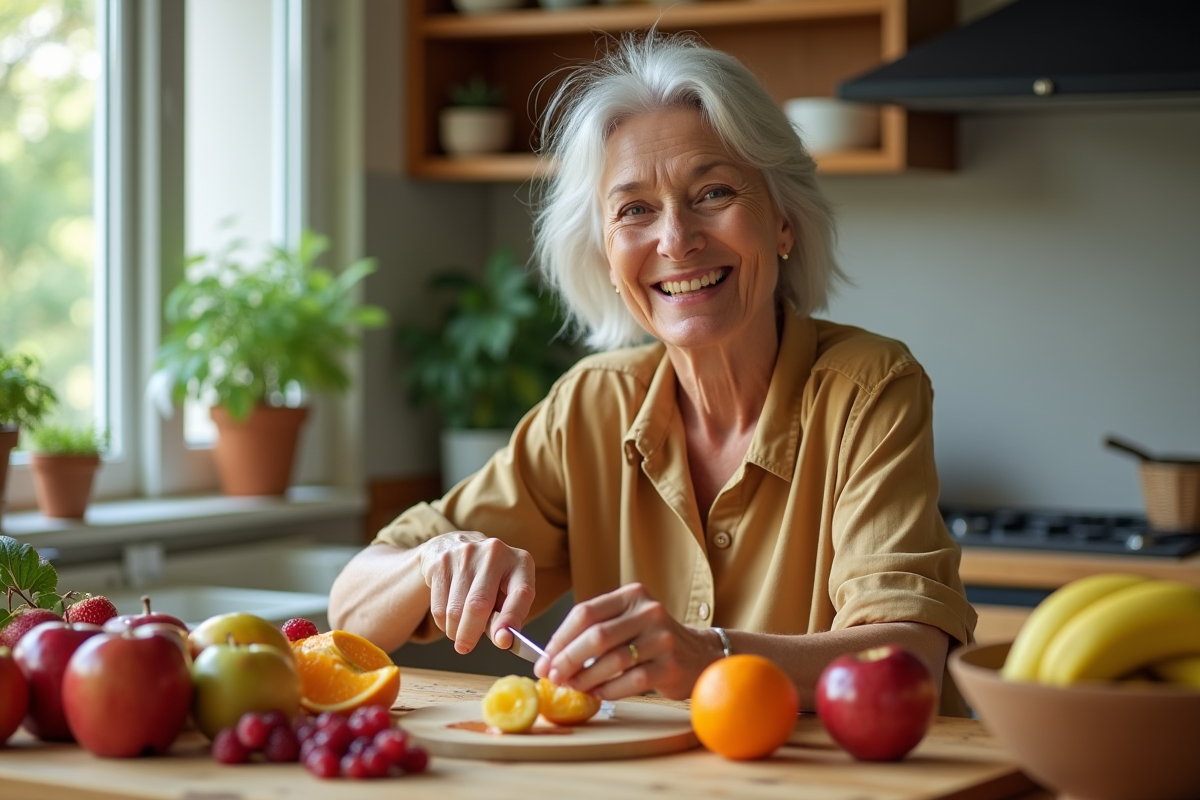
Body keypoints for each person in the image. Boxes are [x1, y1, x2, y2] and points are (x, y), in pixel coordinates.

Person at [329, 31, 977, 714]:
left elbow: (907, 662)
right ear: (608, 258)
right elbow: (352, 610)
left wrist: (711, 657)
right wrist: (433, 560)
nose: (676, 240)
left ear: (783, 223)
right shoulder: (591, 404)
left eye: (714, 192)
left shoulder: (868, 388)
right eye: (635, 209)